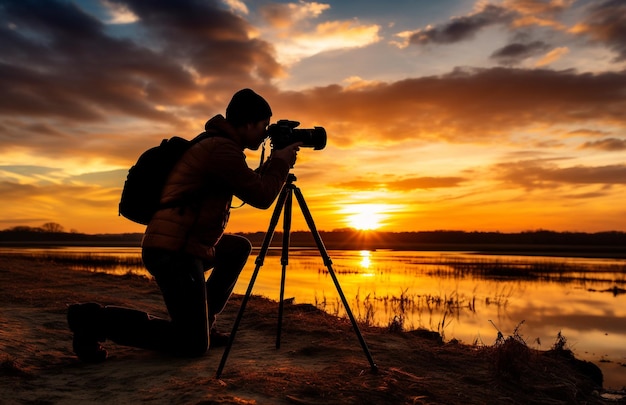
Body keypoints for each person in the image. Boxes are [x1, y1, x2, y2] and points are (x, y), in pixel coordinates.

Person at [67, 89, 301, 362]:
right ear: (248, 123)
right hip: (174, 252)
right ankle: (92, 320)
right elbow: (261, 196)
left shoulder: (222, 147)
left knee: (237, 248)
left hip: (189, 245)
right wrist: (281, 165)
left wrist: (275, 164)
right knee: (191, 344)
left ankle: (205, 322)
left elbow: (250, 185)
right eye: (263, 126)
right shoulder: (221, 149)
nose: (265, 134)